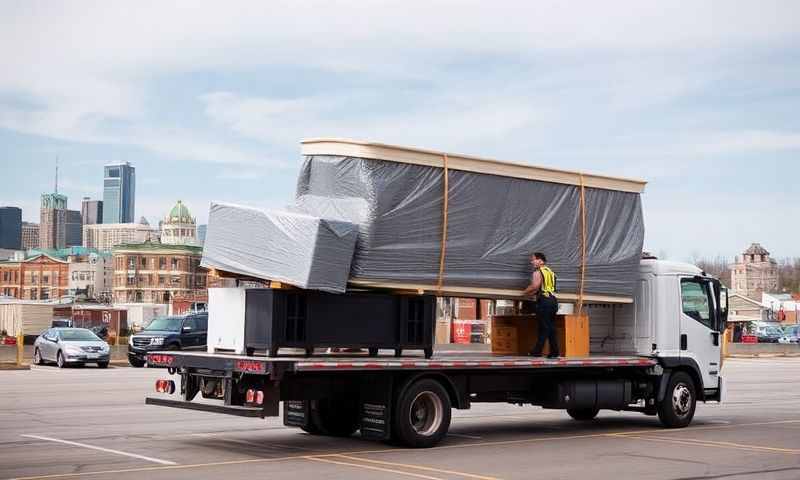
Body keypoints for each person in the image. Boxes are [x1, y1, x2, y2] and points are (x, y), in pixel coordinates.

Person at [523, 252, 560, 358]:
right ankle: (554, 352)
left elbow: (535, 286)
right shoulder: (551, 272)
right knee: (551, 327)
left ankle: (537, 351)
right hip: (553, 300)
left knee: (544, 327)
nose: (531, 262)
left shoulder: (538, 272)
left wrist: (524, 292)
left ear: (540, 261)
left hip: (544, 301)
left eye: (533, 259)